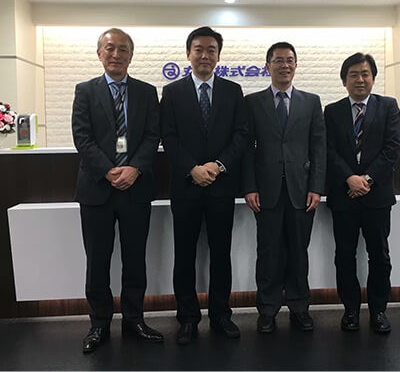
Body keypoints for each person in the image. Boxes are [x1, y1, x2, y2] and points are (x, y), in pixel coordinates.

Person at [72, 28, 163, 354]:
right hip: (97, 189)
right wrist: (108, 170)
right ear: (99, 53)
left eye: (123, 49)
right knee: (97, 261)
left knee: (135, 259)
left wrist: (134, 168)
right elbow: (82, 137)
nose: (116, 54)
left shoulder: (146, 92)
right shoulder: (85, 90)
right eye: (110, 48)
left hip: (136, 188)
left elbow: (153, 135)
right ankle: (99, 323)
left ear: (131, 55)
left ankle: (134, 320)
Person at [160, 26, 247, 345]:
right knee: (184, 254)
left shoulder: (233, 91)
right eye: (199, 49)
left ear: (219, 56)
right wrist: (192, 168)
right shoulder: (172, 92)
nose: (205, 55)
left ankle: (221, 314)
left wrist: (217, 165)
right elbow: (168, 136)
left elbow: (241, 135)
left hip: (221, 187)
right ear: (188, 54)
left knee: (221, 253)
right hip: (186, 188)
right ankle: (187, 317)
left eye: (211, 50)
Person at [242, 42, 326, 333]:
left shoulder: (311, 102)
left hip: (301, 191)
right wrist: (249, 186)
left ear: (296, 65)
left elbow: (318, 147)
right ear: (268, 66)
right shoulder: (252, 102)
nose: (285, 65)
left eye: (290, 60)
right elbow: (246, 149)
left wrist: (316, 187)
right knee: (268, 253)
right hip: (265, 192)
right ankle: (267, 310)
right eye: (278, 60)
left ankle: (300, 307)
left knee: (298, 253)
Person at [323, 52, 400, 333]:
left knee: (379, 255)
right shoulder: (332, 111)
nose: (360, 79)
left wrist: (365, 180)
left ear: (373, 78)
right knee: (344, 255)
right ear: (344, 80)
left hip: (377, 197)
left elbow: (392, 149)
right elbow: (328, 150)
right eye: (354, 74)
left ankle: (379, 310)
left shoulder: (388, 106)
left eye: (365, 74)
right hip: (344, 196)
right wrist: (349, 178)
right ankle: (351, 311)